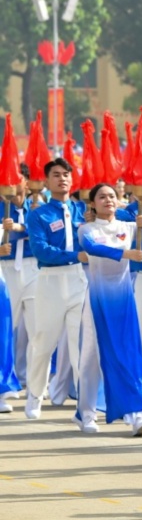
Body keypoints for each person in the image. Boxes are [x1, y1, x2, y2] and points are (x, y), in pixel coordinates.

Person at [76, 183, 142, 436]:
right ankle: (87, 412)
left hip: (124, 299)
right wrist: (126, 253)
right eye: (102, 197)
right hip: (97, 300)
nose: (108, 200)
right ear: (92, 204)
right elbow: (92, 248)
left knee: (129, 353)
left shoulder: (129, 227)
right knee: (91, 357)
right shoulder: (86, 229)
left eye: (112, 196)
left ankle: (136, 413)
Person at [25, 158, 88, 419]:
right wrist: (75, 256)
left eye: (66, 174)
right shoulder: (38, 214)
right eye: (56, 175)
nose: (62, 179)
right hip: (50, 281)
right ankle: (34, 394)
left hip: (78, 280)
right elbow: (41, 251)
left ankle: (85, 405)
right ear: (46, 181)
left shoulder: (83, 210)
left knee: (80, 344)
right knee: (43, 342)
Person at [1, 163, 37, 391]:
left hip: (34, 268)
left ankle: (33, 382)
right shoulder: (1, 208)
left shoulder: (38, 206)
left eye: (16, 178)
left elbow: (43, 232)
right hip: (5, 270)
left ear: (26, 182)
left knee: (37, 329)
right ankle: (4, 384)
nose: (11, 183)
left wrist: (20, 228)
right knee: (5, 328)